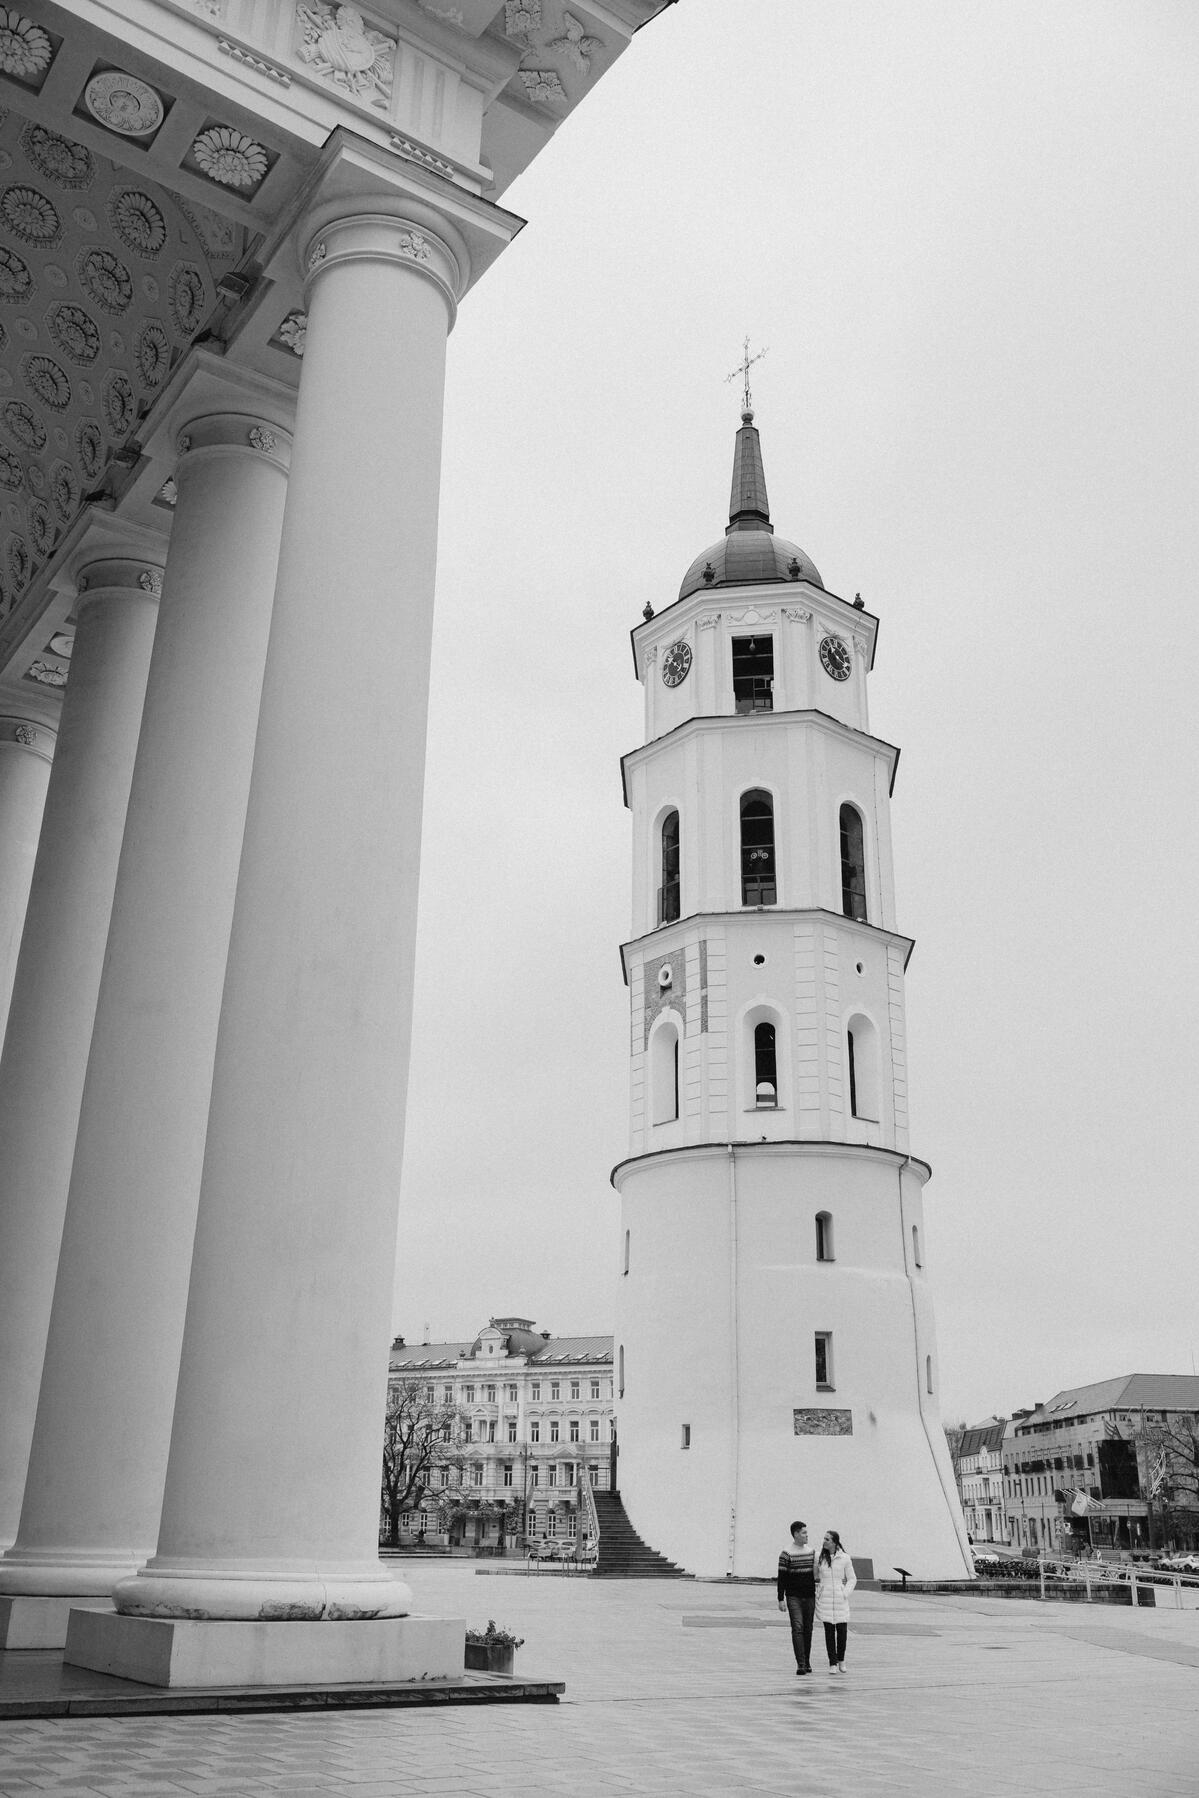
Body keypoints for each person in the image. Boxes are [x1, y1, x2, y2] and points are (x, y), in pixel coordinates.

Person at [814, 1528, 857, 1673]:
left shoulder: (845, 1558)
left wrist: (845, 1593)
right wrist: (819, 1591)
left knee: (842, 1631)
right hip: (825, 1598)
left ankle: (841, 1660)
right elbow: (815, 1576)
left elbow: (852, 1578)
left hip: (840, 1599)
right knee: (829, 1632)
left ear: (834, 1542)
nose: (824, 1541)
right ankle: (832, 1662)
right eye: (824, 1538)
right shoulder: (819, 1557)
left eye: (827, 1539)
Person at [776, 1519, 816, 1675]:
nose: (807, 1535)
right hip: (794, 1597)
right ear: (796, 1534)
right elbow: (782, 1578)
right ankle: (801, 1664)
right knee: (798, 1628)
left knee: (808, 1629)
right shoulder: (786, 1554)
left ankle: (807, 1661)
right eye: (804, 1532)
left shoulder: (811, 1552)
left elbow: (816, 1574)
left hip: (809, 1596)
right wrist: (781, 1599)